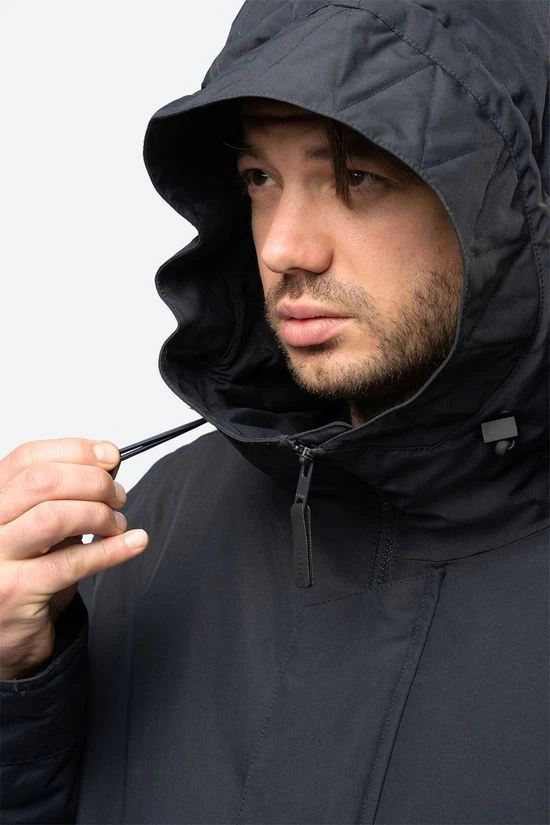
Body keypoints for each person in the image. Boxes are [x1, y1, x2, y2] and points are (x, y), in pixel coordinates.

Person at [1, 0, 548, 822]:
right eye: (260, 179)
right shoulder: (151, 527)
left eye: (356, 176)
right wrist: (18, 684)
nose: (284, 247)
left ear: (509, 202)